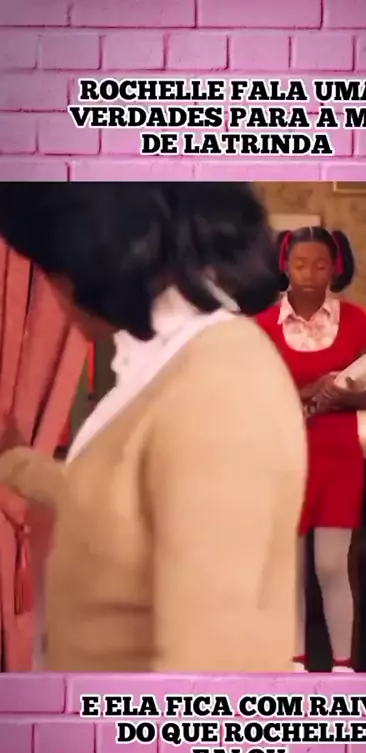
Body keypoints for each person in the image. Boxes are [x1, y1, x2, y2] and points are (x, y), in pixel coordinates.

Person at [0, 183, 307, 673]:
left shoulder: (218, 393)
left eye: (51, 267)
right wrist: (15, 460)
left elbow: (208, 678)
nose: (55, 291)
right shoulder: (170, 363)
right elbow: (117, 506)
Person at [256, 226, 366, 673]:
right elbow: (255, 399)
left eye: (321, 265)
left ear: (336, 267)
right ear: (284, 266)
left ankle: (343, 667)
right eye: (300, 264)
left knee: (331, 566)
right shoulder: (262, 326)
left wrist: (345, 392)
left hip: (339, 458)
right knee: (289, 570)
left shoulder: (358, 321)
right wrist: (309, 391)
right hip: (284, 460)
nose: (310, 274)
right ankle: (295, 664)